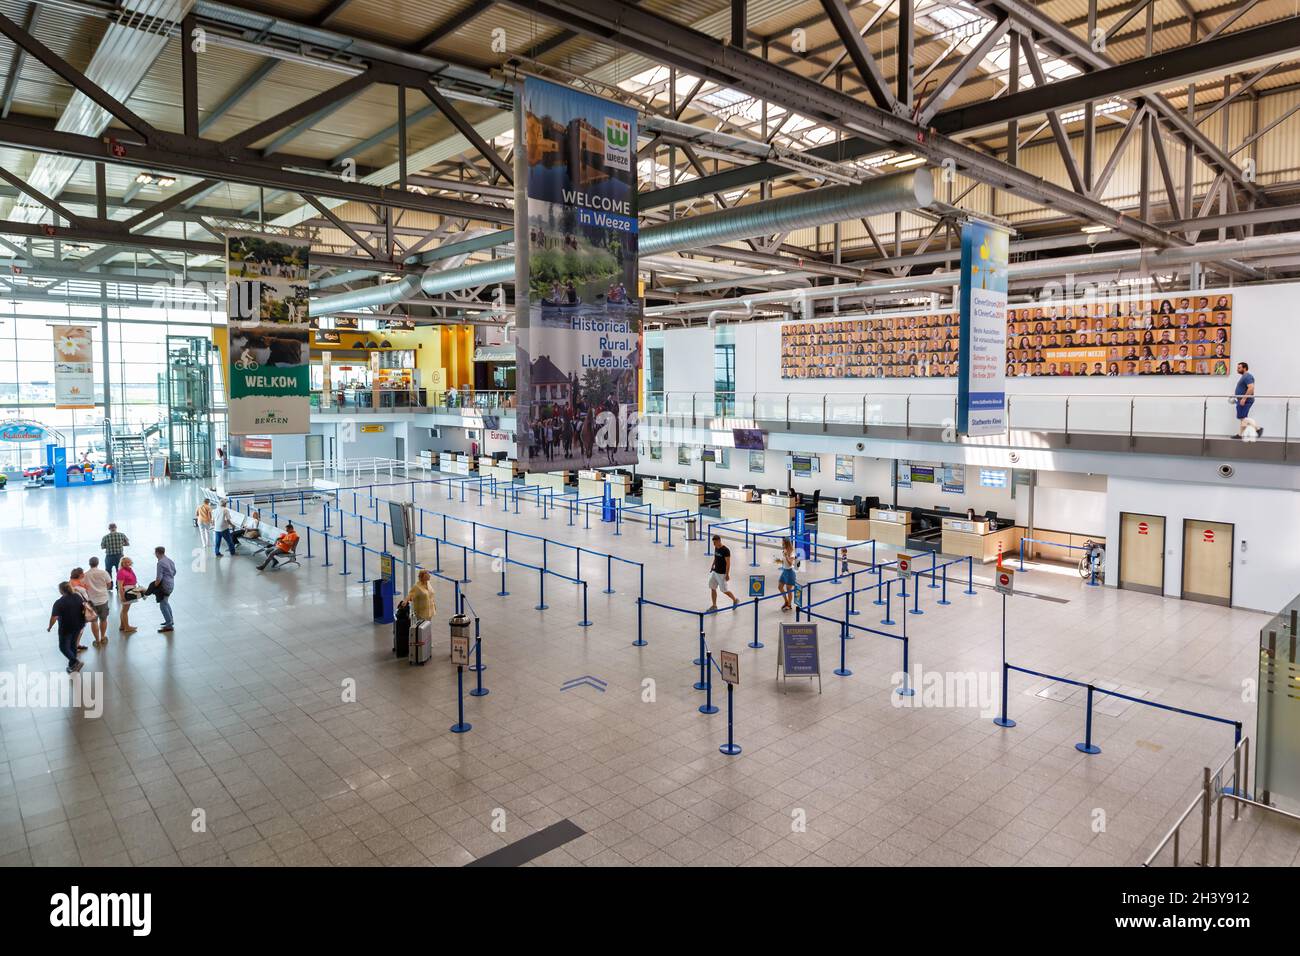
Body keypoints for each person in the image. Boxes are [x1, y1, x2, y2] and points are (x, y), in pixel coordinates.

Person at [48, 582, 87, 674]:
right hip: (78, 625)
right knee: (73, 644)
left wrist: (50, 627)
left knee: (63, 647)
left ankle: (75, 661)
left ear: (61, 591)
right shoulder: (78, 597)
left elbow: (54, 617)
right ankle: (72, 666)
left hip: (66, 628)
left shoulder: (59, 603)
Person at [83, 556, 113, 646]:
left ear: (89, 564)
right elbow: (109, 584)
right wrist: (103, 589)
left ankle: (97, 641)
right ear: (98, 563)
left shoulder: (85, 575)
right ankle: (103, 637)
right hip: (103, 599)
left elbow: (84, 587)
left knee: (94, 621)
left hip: (91, 601)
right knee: (103, 619)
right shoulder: (103, 573)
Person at [708, 534, 739, 610]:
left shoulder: (726, 550)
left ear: (719, 541)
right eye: (713, 542)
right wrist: (712, 565)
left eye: (715, 542)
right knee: (712, 587)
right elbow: (715, 557)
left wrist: (727, 574)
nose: (714, 544)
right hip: (715, 572)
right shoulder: (716, 547)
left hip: (722, 574)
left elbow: (728, 563)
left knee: (724, 590)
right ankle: (714, 605)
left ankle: (735, 600)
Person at [1232, 362, 1260, 439]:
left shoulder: (1247, 376)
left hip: (1246, 400)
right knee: (1242, 417)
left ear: (1244, 368)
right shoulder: (1244, 376)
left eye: (1239, 368)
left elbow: (1251, 388)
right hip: (1241, 400)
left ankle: (1257, 429)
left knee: (1243, 417)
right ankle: (1241, 434)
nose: (1237, 369)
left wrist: (1244, 398)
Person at [153, 546, 176, 632]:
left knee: (162, 605)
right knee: (165, 602)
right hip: (171, 583)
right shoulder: (169, 560)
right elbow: (174, 571)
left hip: (165, 586)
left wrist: (154, 586)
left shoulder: (160, 563)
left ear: (157, 553)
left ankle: (169, 625)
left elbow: (159, 578)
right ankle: (170, 620)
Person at [775, 538, 800, 612]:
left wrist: (786, 556)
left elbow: (790, 563)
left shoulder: (792, 552)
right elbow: (785, 562)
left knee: (789, 590)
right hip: (784, 571)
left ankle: (789, 605)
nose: (782, 544)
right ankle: (786, 601)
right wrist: (779, 561)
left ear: (786, 543)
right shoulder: (784, 550)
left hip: (790, 572)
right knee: (780, 587)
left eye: (783, 543)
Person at [116, 557, 139, 634]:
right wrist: (122, 597)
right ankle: (127, 627)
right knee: (125, 611)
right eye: (124, 562)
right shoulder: (121, 572)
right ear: (122, 563)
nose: (126, 564)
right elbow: (120, 586)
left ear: (130, 563)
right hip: (126, 592)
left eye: (128, 562)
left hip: (130, 590)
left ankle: (122, 626)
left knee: (124, 610)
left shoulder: (129, 569)